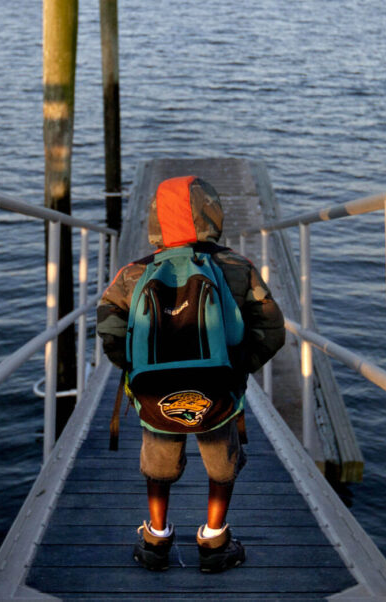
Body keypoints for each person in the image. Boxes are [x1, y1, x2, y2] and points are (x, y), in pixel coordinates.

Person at [97, 175, 284, 573]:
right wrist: (238, 367)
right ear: (212, 213)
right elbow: (271, 329)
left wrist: (135, 370)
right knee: (222, 464)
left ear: (155, 220)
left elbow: (109, 325)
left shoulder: (133, 273)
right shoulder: (237, 267)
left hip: (157, 391)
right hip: (218, 390)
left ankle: (155, 539)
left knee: (158, 465)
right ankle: (215, 542)